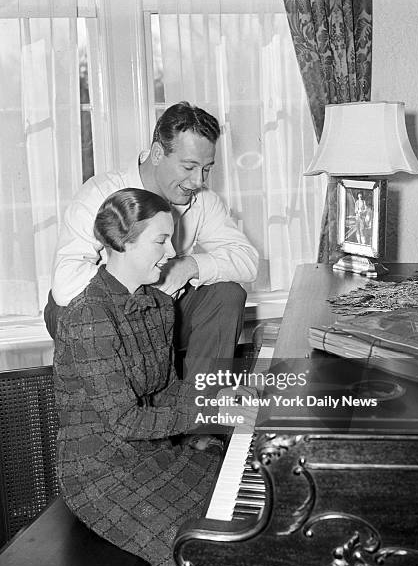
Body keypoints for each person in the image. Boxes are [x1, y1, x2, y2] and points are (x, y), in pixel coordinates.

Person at [54, 188, 255, 566]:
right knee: (197, 558)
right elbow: (125, 421)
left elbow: (164, 391)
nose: (171, 252)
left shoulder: (158, 306)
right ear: (122, 242)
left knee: (240, 512)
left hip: (151, 452)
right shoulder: (88, 317)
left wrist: (224, 395)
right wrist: (210, 410)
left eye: (173, 239)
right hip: (98, 472)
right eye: (161, 241)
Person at [45, 101, 258, 381]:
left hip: (162, 315)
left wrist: (189, 266)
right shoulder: (99, 193)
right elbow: (64, 285)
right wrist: (147, 286)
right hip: (99, 318)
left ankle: (203, 412)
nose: (198, 181)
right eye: (189, 167)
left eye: (207, 169)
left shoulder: (203, 200)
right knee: (70, 309)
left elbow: (248, 261)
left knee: (227, 293)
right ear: (158, 153)